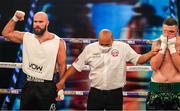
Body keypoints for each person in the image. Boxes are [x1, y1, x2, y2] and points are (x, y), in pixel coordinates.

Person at [56, 29, 159, 110]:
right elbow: (75, 66)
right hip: (95, 93)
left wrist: (152, 53)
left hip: (115, 94)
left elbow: (139, 60)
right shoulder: (90, 49)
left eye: (107, 44)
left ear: (113, 40)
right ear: (98, 40)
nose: (104, 47)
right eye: (102, 44)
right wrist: (63, 80)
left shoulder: (123, 47)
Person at [1, 10, 66, 110]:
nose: (37, 25)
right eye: (35, 22)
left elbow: (62, 65)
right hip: (29, 84)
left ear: (47, 23)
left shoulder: (58, 42)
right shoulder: (27, 37)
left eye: (41, 22)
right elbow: (6, 33)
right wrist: (15, 18)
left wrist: (61, 87)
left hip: (47, 86)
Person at [146, 17, 180, 110]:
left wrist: (172, 48)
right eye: (165, 31)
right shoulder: (157, 42)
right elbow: (154, 67)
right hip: (157, 88)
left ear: (177, 30)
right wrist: (163, 47)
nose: (167, 35)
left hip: (177, 89)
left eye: (171, 32)